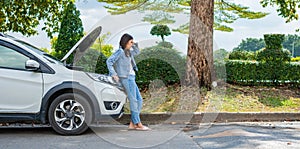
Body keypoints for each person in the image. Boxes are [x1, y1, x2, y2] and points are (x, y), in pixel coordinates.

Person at [107, 33, 150, 131]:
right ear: (125, 42)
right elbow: (109, 61)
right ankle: (138, 124)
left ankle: (132, 123)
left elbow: (137, 51)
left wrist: (134, 43)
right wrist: (113, 73)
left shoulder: (128, 52)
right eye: (130, 42)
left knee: (139, 100)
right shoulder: (120, 52)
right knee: (134, 101)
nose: (132, 44)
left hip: (131, 77)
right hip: (126, 78)